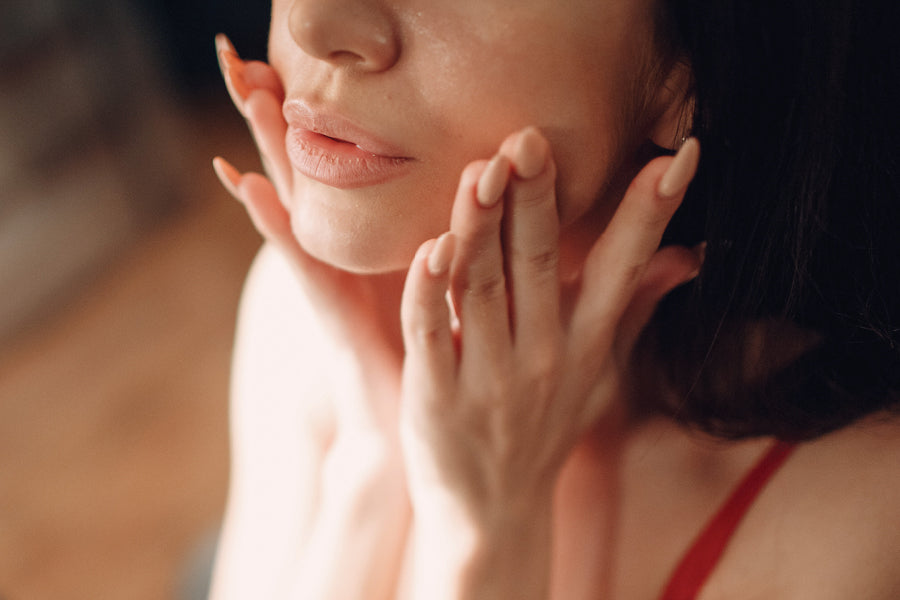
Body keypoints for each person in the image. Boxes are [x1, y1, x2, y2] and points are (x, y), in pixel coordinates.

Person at [207, 0, 900, 598]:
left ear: (692, 62)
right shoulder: (311, 321)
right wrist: (376, 457)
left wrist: (485, 539)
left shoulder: (857, 518)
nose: (313, 21)